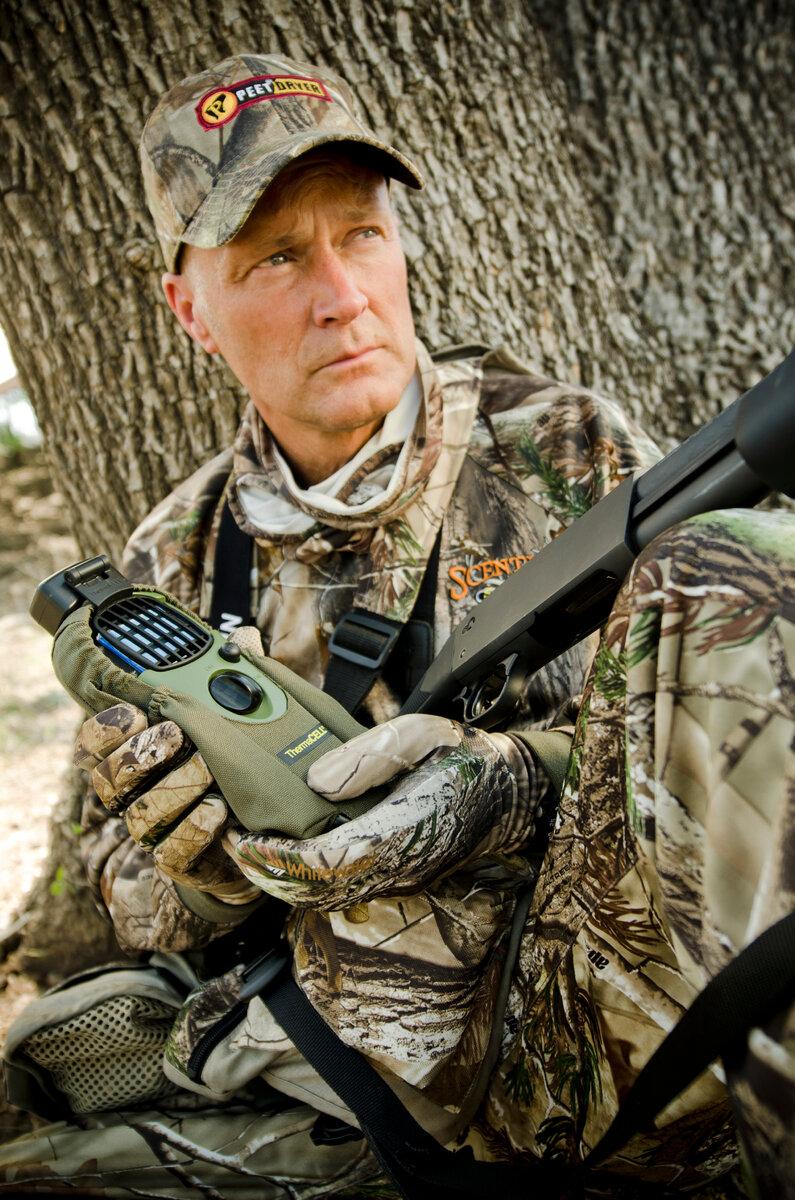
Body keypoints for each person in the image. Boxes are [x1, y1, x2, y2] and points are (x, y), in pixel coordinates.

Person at [1, 50, 793, 1198]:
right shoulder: (172, 560)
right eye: (277, 256)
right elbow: (126, 883)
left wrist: (510, 783)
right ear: (189, 311)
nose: (342, 293)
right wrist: (205, 871)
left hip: (609, 994)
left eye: (362, 233)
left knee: (740, 558)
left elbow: (724, 732)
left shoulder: (564, 449)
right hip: (363, 1074)